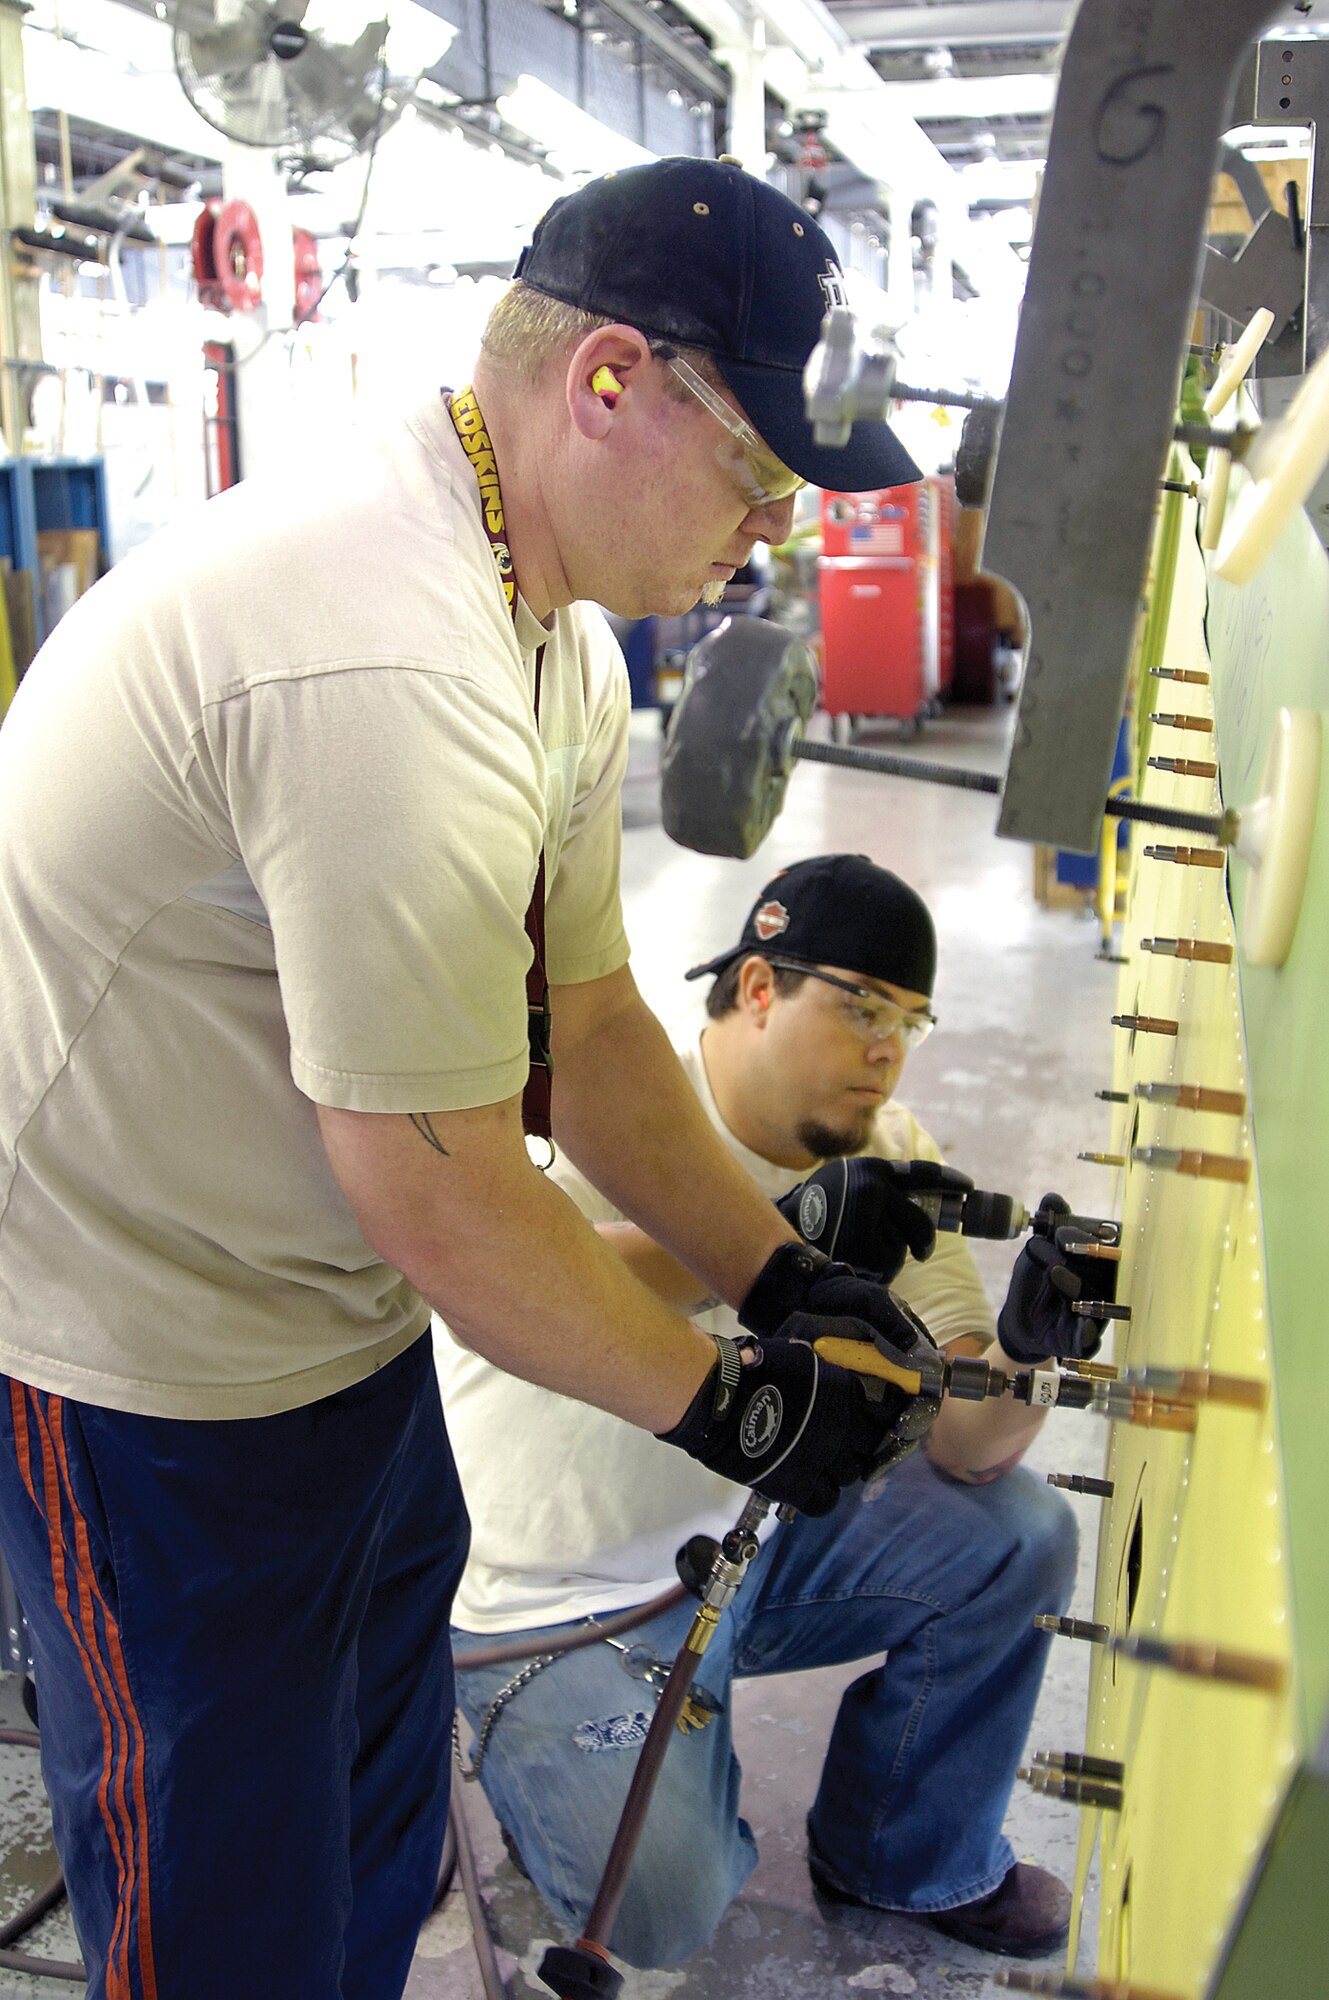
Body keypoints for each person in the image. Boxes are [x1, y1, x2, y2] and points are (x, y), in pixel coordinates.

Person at [0, 163, 940, 2000]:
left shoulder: (552, 636)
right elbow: (435, 1185)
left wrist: (775, 1271)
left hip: (330, 1329)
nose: (767, 533)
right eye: (756, 476)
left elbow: (582, 1026)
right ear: (606, 379)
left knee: (366, 1812)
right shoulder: (382, 648)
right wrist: (733, 1409)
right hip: (143, 1360)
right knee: (220, 1895)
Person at [445, 855, 1112, 1965]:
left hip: (750, 1533)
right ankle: (546, 1770)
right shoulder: (604, 1103)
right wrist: (781, 1236)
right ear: (759, 985)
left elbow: (965, 1441)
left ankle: (907, 1850)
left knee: (1019, 1538)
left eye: (910, 1020)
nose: (888, 1047)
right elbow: (525, 1272)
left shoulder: (887, 1153)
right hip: (566, 1587)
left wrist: (1027, 1351)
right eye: (860, 1006)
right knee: (666, 1915)